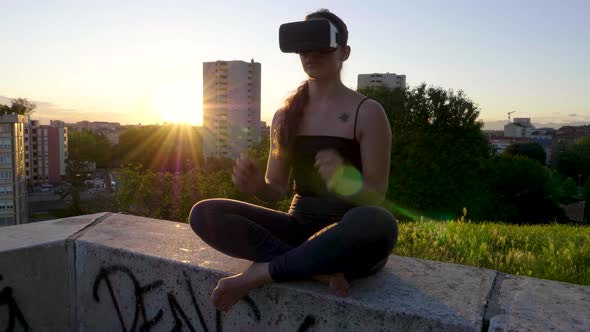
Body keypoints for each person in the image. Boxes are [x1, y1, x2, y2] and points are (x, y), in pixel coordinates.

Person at [189, 9, 398, 312]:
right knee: (203, 213)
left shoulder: (367, 112)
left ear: (345, 52)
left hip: (347, 239)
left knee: (379, 221)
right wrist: (256, 185)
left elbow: (377, 194)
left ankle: (263, 271)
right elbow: (276, 189)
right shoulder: (285, 117)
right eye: (304, 44)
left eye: (321, 43)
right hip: (298, 229)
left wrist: (346, 180)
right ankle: (311, 268)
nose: (311, 52)